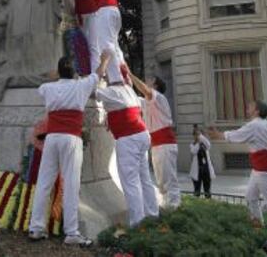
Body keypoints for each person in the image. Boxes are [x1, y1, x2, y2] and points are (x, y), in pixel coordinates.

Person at [29, 52, 110, 246]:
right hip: (71, 139)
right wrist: (105, 59)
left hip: (52, 139)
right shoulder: (81, 85)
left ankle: (36, 228)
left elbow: (43, 82)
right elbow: (98, 74)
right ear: (74, 73)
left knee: (44, 182)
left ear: (59, 72)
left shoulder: (47, 88)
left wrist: (56, 76)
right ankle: (71, 232)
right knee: (71, 183)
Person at [97, 79, 159, 226]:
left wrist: (97, 72)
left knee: (130, 182)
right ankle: (152, 215)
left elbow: (90, 92)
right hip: (141, 135)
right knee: (144, 179)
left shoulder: (113, 91)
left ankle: (138, 223)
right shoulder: (128, 90)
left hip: (128, 138)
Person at [56, 0, 127, 84]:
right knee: (96, 45)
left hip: (95, 12)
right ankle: (101, 75)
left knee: (97, 46)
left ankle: (102, 76)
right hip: (87, 12)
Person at [208, 100, 267, 226]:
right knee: (250, 197)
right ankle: (257, 224)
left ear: (257, 111)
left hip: (264, 170)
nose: (247, 106)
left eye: (251, 106)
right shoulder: (264, 123)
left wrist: (219, 135)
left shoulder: (255, 125)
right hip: (259, 168)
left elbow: (237, 135)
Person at [129, 71, 181, 209]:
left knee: (169, 177)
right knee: (161, 180)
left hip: (166, 143)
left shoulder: (159, 98)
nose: (147, 81)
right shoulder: (146, 101)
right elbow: (130, 98)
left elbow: (144, 90)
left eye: (150, 80)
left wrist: (129, 73)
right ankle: (166, 205)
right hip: (157, 143)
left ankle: (174, 206)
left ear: (155, 85)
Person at [190, 125, 215, 198]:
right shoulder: (192, 144)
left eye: (198, 134)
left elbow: (209, 145)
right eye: (195, 135)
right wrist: (198, 142)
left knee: (207, 189)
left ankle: (208, 200)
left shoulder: (205, 144)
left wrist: (201, 137)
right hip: (197, 170)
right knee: (197, 189)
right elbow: (194, 151)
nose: (197, 136)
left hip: (206, 169)